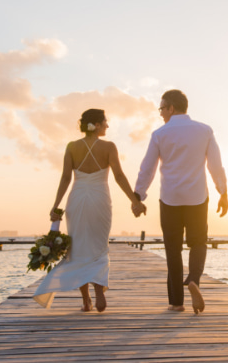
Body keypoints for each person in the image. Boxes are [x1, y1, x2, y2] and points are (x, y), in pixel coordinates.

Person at [33, 109, 146, 312]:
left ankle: (86, 300)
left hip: (76, 200)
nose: (108, 126)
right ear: (97, 124)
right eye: (106, 122)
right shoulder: (109, 147)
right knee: (99, 247)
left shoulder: (72, 147)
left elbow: (66, 178)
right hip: (100, 200)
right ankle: (99, 290)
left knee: (77, 249)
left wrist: (55, 205)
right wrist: (134, 201)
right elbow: (119, 176)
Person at [134, 90, 228, 314]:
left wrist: (138, 195)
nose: (160, 114)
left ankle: (176, 302)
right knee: (198, 242)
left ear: (171, 108)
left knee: (173, 249)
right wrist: (223, 192)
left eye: (161, 109)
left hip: (170, 198)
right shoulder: (204, 130)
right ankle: (194, 279)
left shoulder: (159, 134)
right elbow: (215, 165)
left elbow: (147, 168)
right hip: (197, 197)